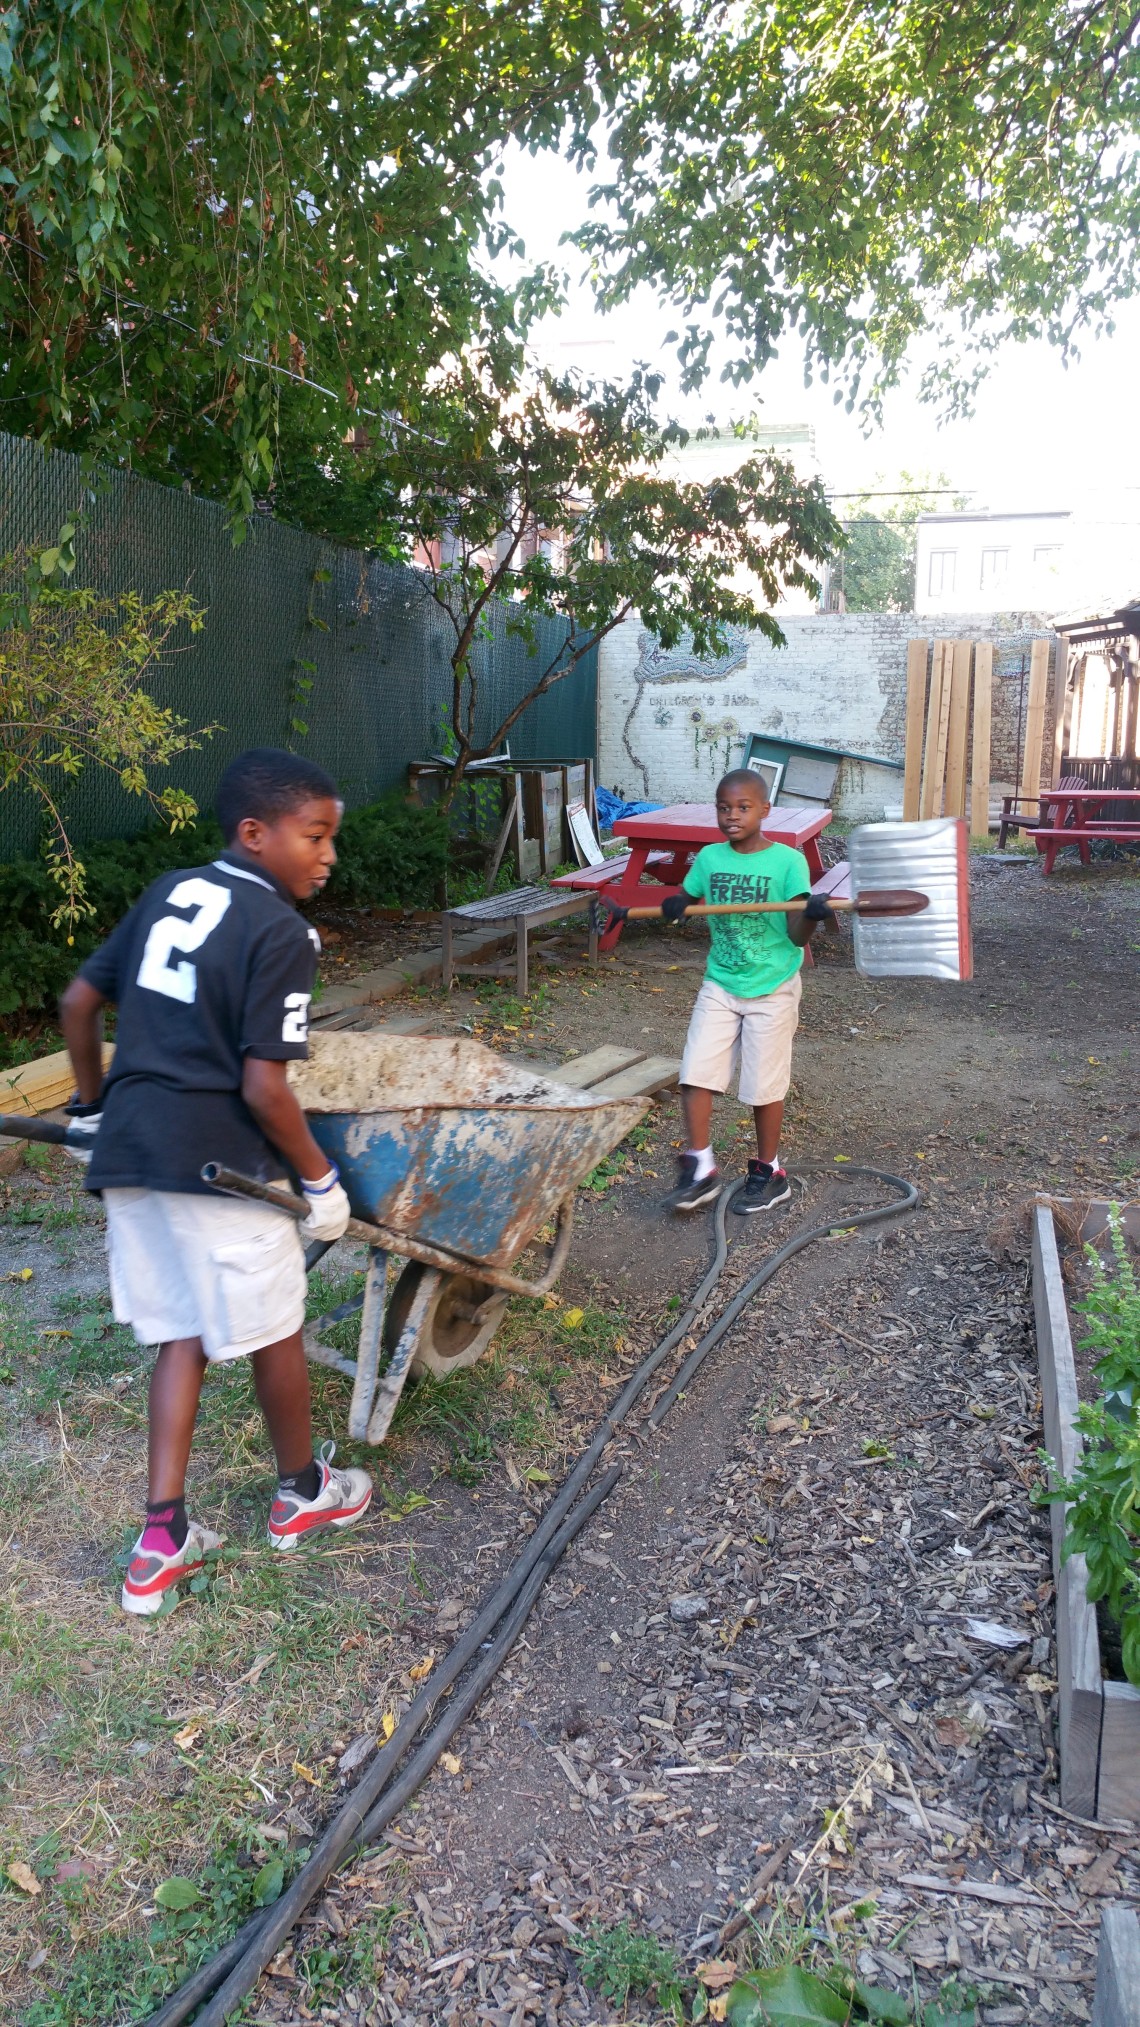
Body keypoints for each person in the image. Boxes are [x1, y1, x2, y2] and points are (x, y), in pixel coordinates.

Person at [59, 748, 373, 1616]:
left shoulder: (170, 890)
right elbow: (263, 1085)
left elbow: (79, 1003)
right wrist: (320, 1181)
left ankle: (161, 1537)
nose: (327, 855)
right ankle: (303, 1491)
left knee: (182, 1330)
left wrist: (89, 1107)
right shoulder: (280, 931)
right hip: (219, 1163)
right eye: (314, 836)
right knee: (274, 1328)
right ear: (254, 833)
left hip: (131, 1153)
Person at [657, 769, 830, 1214]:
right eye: (723, 807)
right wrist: (676, 905)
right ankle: (700, 1167)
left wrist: (811, 913)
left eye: (743, 807)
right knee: (696, 1072)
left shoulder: (787, 862)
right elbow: (687, 899)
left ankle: (769, 1171)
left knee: (761, 1086)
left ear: (764, 811)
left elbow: (796, 936)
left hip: (772, 987)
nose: (732, 816)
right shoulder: (711, 858)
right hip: (721, 981)